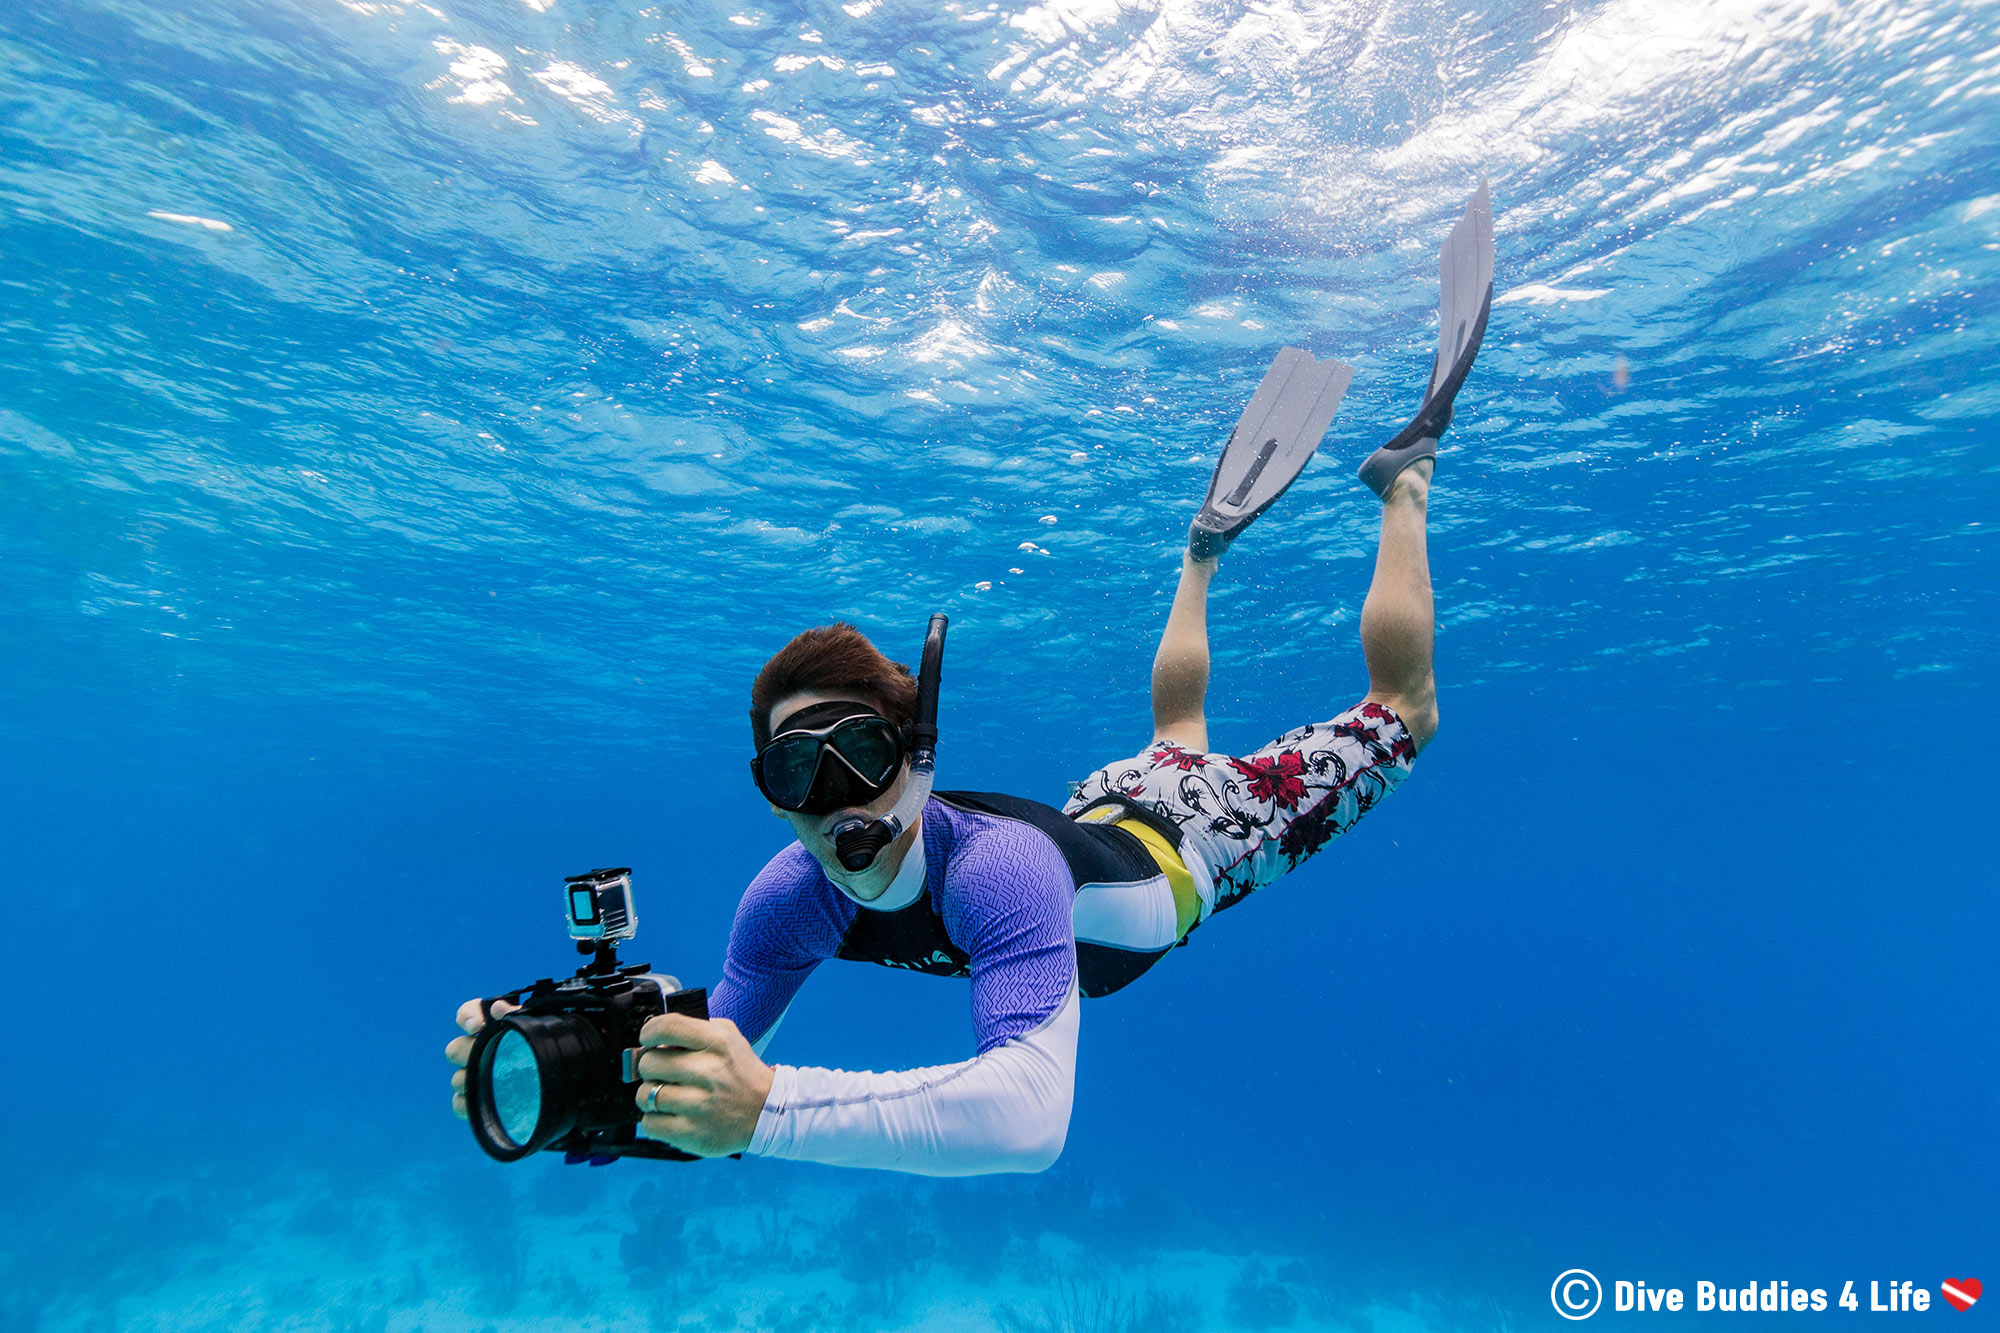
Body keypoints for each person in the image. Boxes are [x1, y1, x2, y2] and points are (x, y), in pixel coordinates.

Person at [446, 183, 1494, 1177]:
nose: (829, 804)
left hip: (1200, 839)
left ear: (914, 757)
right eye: (789, 774)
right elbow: (711, 1055)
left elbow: (1028, 1119)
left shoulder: (995, 875)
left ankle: (1405, 478)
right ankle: (1200, 553)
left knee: (1402, 714)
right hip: (1103, 808)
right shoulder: (787, 901)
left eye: (854, 755)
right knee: (1173, 728)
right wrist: (564, 1072)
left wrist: (767, 1114)